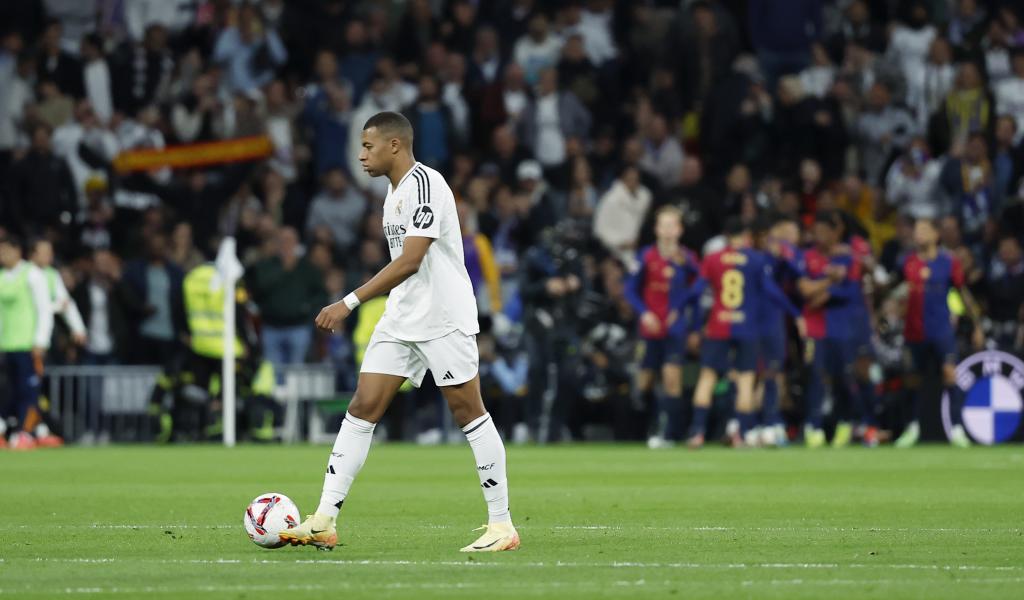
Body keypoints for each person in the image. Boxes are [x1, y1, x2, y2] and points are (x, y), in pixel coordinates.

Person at [280, 112, 517, 553]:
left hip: (443, 317)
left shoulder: (427, 185)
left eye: (368, 146)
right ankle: (324, 519)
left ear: (394, 145)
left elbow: (410, 261)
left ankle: (502, 525)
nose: (361, 154)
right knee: (363, 406)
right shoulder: (392, 195)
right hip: (403, 316)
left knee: (469, 412)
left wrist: (348, 302)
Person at [686, 217, 799, 449]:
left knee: (707, 377)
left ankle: (697, 431)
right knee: (746, 380)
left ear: (726, 237)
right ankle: (743, 432)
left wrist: (693, 323)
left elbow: (696, 291)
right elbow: (771, 291)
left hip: (718, 325)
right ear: (745, 236)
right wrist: (795, 313)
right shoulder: (755, 259)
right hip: (746, 326)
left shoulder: (713, 259)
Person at [893, 217, 982, 448]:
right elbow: (895, 292)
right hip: (913, 330)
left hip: (941, 328)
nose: (919, 234)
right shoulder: (907, 262)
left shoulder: (949, 262)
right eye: (916, 230)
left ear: (935, 235)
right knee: (913, 380)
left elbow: (962, 294)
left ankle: (957, 429)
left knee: (950, 374)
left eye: (924, 229)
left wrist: (977, 326)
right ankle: (912, 427)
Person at [623, 206, 699, 448]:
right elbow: (630, 290)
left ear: (679, 230)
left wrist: (683, 311)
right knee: (644, 383)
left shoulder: (687, 258)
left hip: (674, 329)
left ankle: (668, 433)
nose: (667, 230)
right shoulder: (645, 256)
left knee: (671, 378)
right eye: (663, 225)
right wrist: (644, 314)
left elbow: (699, 286)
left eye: (672, 225)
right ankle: (647, 426)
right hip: (649, 329)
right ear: (656, 229)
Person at [797, 211, 861, 448]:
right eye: (817, 230)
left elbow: (852, 292)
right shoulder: (807, 257)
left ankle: (844, 423)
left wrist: (824, 292)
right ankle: (813, 426)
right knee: (815, 375)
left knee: (843, 377)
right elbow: (804, 291)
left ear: (837, 232)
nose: (819, 235)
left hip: (841, 327)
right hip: (814, 327)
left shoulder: (847, 259)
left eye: (825, 231)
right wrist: (832, 281)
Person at [0, 234, 53, 450]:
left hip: (27, 345)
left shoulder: (32, 274)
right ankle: (7, 431)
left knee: (28, 392)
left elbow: (44, 309)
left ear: (17, 251)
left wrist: (40, 340)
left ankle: (26, 432)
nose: (2, 255)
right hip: (5, 345)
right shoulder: (2, 276)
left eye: (4, 251)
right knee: (6, 392)